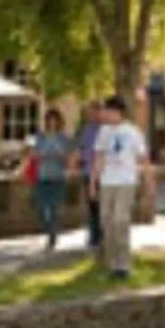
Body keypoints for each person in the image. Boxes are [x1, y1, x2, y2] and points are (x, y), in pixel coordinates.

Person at [93, 94, 150, 279]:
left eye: (108, 111)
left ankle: (124, 264)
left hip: (126, 181)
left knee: (120, 220)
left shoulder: (133, 132)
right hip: (107, 182)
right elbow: (99, 157)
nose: (105, 114)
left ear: (118, 112)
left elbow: (143, 158)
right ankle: (113, 264)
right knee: (106, 221)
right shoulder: (103, 132)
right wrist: (93, 182)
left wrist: (148, 181)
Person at [28, 108, 76, 251]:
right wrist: (41, 153)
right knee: (42, 208)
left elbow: (70, 156)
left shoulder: (64, 138)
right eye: (49, 120)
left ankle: (52, 236)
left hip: (58, 176)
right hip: (42, 176)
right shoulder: (40, 137)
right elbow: (33, 154)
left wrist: (61, 156)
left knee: (54, 208)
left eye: (55, 120)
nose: (52, 123)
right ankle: (49, 229)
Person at [75, 100, 105, 250]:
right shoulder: (87, 129)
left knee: (102, 206)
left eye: (95, 111)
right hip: (88, 172)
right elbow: (81, 148)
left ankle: (101, 235)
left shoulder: (106, 129)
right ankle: (94, 236)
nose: (92, 115)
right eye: (91, 112)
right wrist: (78, 160)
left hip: (104, 174)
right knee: (92, 205)